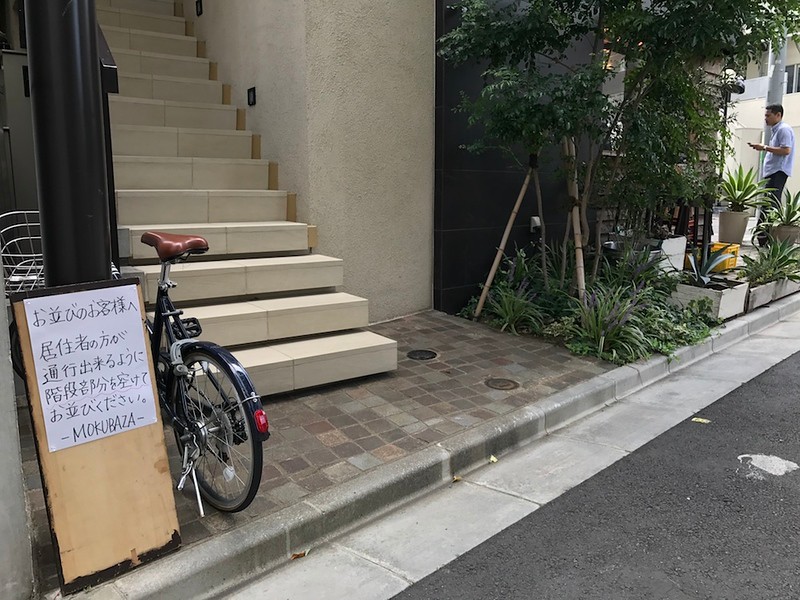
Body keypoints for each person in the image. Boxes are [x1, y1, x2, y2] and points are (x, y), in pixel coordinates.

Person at [749, 104, 795, 246]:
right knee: (768, 203)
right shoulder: (777, 130)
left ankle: (764, 237)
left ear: (778, 115)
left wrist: (764, 147)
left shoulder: (783, 129)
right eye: (765, 115)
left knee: (770, 204)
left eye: (768, 115)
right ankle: (762, 237)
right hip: (773, 172)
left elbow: (786, 150)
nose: (766, 118)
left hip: (778, 172)